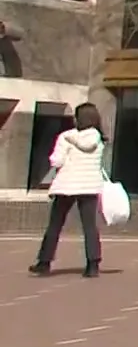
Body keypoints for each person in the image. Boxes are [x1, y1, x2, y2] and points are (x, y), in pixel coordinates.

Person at [29, 103, 109, 278]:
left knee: (55, 224)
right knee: (90, 226)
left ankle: (44, 262)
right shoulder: (99, 138)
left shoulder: (66, 136)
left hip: (67, 185)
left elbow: (57, 161)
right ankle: (93, 264)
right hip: (89, 186)